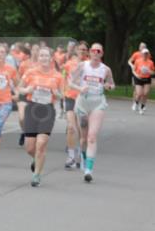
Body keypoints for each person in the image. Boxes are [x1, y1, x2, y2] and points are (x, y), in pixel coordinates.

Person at [18, 45, 63, 187]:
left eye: (46, 55)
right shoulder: (30, 72)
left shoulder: (57, 75)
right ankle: (37, 159)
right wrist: (27, 89)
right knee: (30, 148)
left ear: (51, 58)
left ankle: (36, 175)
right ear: (38, 58)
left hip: (47, 110)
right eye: (41, 55)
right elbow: (19, 88)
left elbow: (62, 94)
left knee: (41, 144)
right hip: (32, 108)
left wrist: (57, 93)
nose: (44, 58)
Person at [70, 43, 115, 182]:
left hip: (98, 104)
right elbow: (70, 81)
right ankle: (83, 157)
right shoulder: (83, 66)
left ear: (101, 54)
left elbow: (112, 85)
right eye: (93, 51)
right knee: (83, 138)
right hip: (83, 103)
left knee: (92, 137)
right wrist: (79, 88)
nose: (96, 53)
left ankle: (89, 170)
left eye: (98, 51)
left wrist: (109, 86)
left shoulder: (106, 69)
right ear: (89, 53)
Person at [128, 43, 154, 114]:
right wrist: (136, 73)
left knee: (145, 93)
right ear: (141, 54)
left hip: (147, 78)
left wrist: (149, 71)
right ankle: (136, 103)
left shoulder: (150, 62)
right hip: (138, 77)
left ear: (148, 54)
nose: (145, 55)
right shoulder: (137, 59)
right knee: (139, 93)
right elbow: (132, 67)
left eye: (146, 53)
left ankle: (142, 107)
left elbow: (153, 72)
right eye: (144, 53)